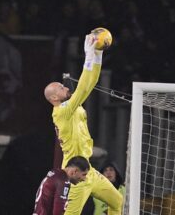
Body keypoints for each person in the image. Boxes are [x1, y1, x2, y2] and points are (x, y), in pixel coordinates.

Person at [44, 33, 123, 215]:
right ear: (54, 97)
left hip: (88, 170)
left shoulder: (72, 106)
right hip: (74, 175)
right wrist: (89, 55)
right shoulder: (62, 111)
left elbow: (89, 84)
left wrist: (98, 54)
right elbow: (83, 87)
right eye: (62, 88)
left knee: (117, 201)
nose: (66, 88)